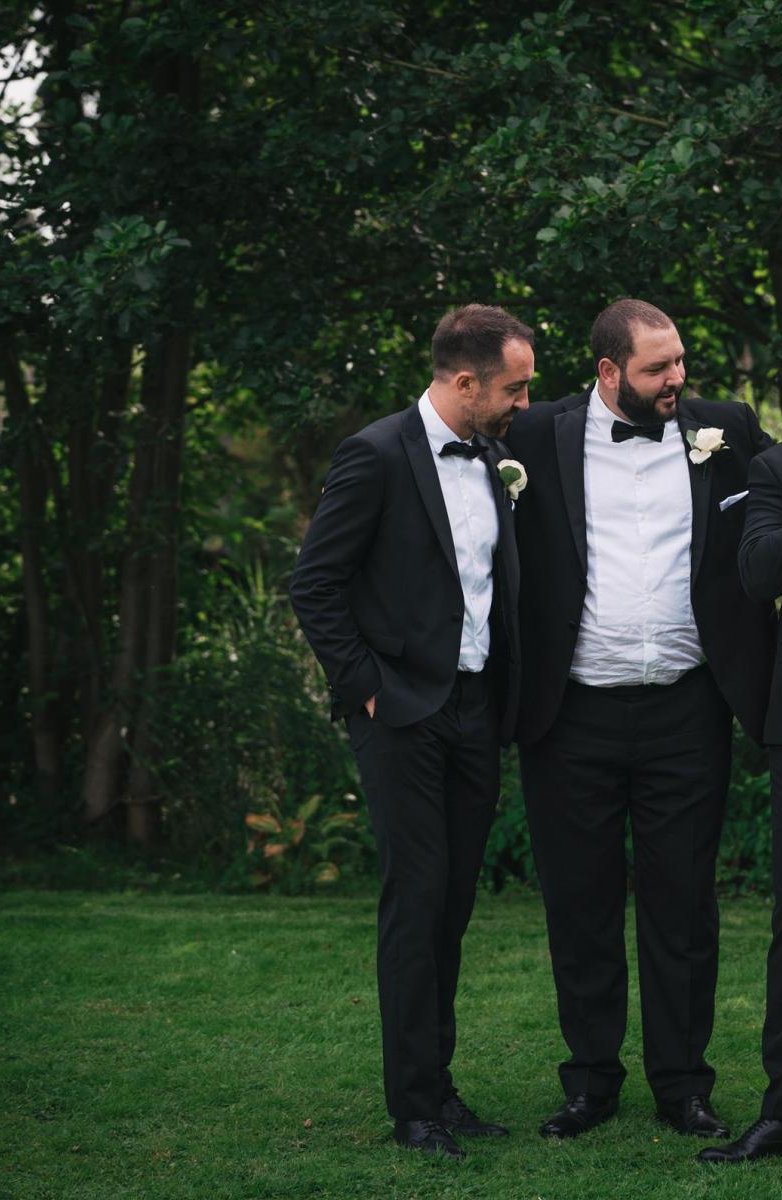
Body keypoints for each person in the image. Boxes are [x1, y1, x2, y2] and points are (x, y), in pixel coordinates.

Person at [503, 299, 782, 1142]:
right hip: (570, 709)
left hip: (690, 704)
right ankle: (589, 1083)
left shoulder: (727, 430)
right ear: (608, 371)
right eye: (657, 368)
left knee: (684, 909)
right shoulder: (535, 437)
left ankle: (684, 1086)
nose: (676, 378)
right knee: (579, 905)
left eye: (680, 361)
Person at [288, 304, 534, 1160]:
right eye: (515, 388)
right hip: (400, 715)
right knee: (416, 902)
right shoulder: (376, 454)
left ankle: (441, 1088)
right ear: (465, 383)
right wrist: (367, 690)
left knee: (453, 906)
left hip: (475, 711)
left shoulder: (496, 456)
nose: (525, 402)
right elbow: (315, 583)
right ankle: (414, 1108)